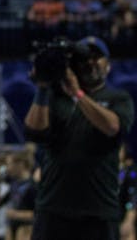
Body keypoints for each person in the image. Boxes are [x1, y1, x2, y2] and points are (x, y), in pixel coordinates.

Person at [25, 36, 135, 239]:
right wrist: (42, 89)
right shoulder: (56, 96)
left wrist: (77, 93)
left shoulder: (118, 98)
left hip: (99, 210)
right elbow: (34, 132)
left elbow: (112, 127)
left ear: (108, 66)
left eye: (97, 57)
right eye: (85, 57)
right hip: (53, 208)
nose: (91, 62)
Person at [0, 152, 36, 240]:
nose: (7, 169)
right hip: (11, 229)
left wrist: (16, 214)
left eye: (9, 164)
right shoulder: (13, 183)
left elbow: (37, 214)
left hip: (25, 230)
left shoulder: (32, 186)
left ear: (20, 164)